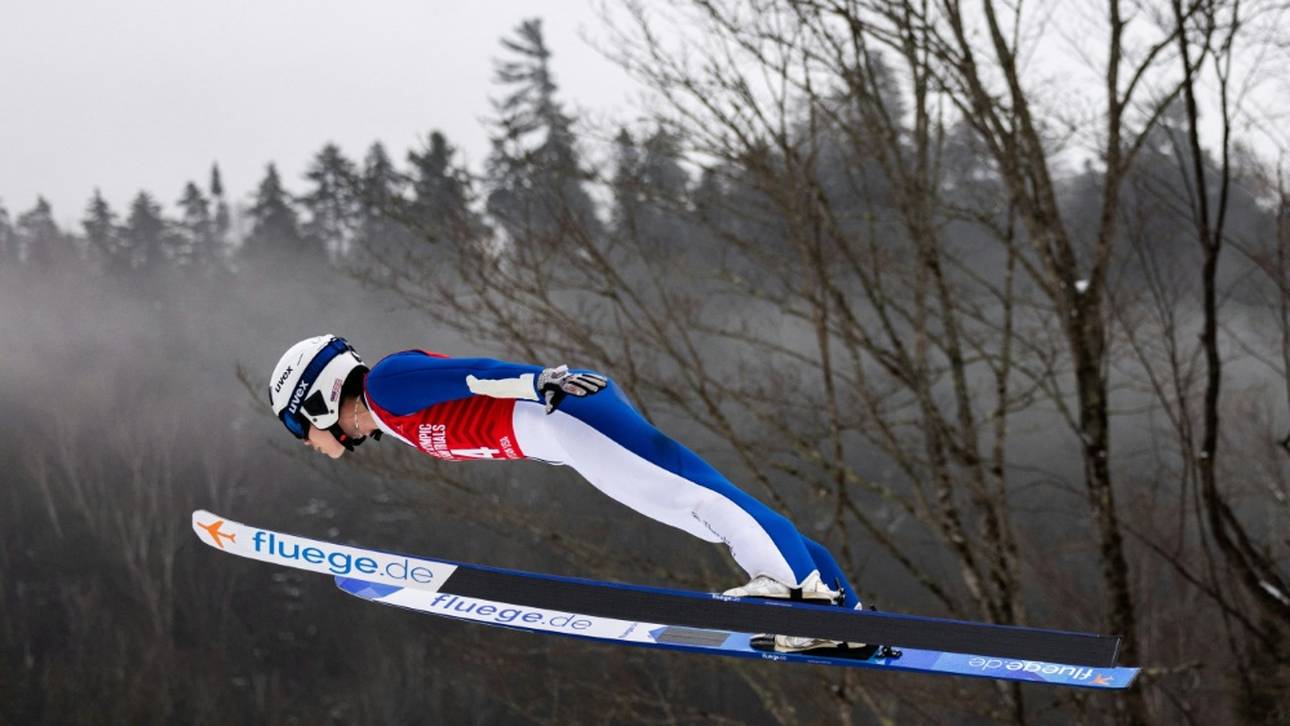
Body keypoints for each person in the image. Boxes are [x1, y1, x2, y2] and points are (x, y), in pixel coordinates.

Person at [268, 334, 863, 652]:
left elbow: (467, 373)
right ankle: (839, 604)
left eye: (301, 428)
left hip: (566, 416)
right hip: (567, 431)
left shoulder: (388, 386)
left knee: (693, 498)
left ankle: (801, 600)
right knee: (698, 501)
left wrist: (535, 379)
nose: (307, 442)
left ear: (316, 399)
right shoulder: (390, 415)